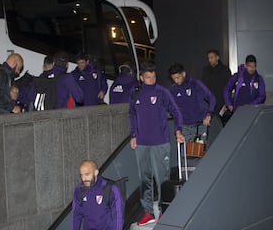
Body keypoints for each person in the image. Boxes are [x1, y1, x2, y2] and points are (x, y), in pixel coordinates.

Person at [129, 61, 184, 226]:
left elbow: (176, 111)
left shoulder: (162, 92)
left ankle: (162, 211)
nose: (151, 80)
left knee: (162, 179)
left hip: (160, 142)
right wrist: (133, 135)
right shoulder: (135, 93)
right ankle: (148, 212)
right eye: (148, 77)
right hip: (142, 143)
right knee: (144, 179)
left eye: (153, 77)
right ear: (141, 77)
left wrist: (178, 130)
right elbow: (132, 114)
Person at [169, 63, 216, 143]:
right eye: (174, 79)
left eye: (178, 77)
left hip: (200, 124)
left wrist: (209, 115)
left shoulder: (195, 84)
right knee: (185, 153)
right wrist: (178, 129)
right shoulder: (173, 90)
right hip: (185, 126)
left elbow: (212, 98)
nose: (176, 81)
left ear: (183, 74)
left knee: (200, 152)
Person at [71, 160, 124, 230]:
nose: (83, 179)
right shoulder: (79, 190)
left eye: (87, 174)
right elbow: (76, 215)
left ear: (96, 172)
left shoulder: (111, 189)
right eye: (81, 175)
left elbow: (118, 217)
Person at [201, 50, 232, 116]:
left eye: (212, 57)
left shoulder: (225, 70)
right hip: (209, 103)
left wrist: (226, 103)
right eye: (208, 58)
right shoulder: (205, 70)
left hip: (221, 103)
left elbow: (229, 87)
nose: (210, 60)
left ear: (217, 57)